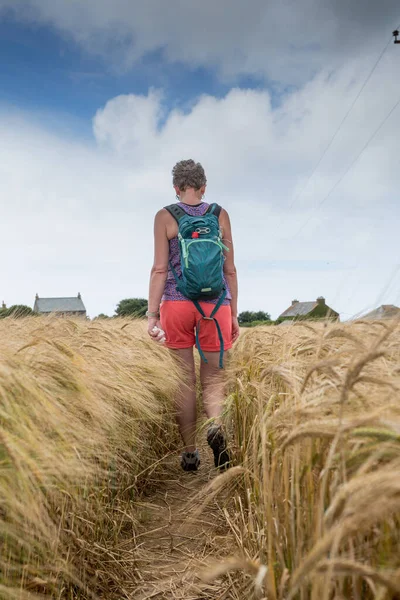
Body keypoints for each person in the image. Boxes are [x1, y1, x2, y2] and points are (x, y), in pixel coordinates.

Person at [147, 159, 239, 471]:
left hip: (176, 304)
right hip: (217, 307)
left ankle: (189, 453)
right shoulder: (219, 214)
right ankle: (215, 427)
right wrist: (234, 314)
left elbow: (160, 268)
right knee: (213, 379)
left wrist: (151, 315)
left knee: (184, 380)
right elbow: (231, 269)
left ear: (176, 188)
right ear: (203, 187)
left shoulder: (165, 216)